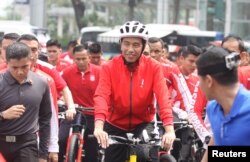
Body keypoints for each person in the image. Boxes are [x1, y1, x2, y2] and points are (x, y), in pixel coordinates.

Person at [93, 21, 175, 162]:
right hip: (115, 124)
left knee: (144, 156)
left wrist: (169, 130)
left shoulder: (153, 67)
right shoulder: (109, 67)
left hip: (144, 123)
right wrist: (99, 127)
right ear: (121, 44)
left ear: (143, 46)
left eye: (136, 45)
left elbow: (163, 98)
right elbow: (101, 96)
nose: (130, 49)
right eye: (126, 44)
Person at [0, 42, 52, 162]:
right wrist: (3, 115)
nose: (20, 72)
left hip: (26, 144)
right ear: (6, 63)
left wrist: (43, 154)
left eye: (24, 67)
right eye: (14, 68)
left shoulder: (42, 83)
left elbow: (45, 119)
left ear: (32, 61)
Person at [197, 46, 250, 162]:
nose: (199, 86)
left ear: (209, 81)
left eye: (199, 80)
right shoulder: (213, 108)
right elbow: (215, 141)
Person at [61, 45, 100, 162]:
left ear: (89, 57)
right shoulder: (67, 72)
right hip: (73, 113)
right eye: (78, 59)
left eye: (84, 58)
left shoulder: (99, 72)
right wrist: (64, 102)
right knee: (61, 139)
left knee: (93, 145)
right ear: (73, 59)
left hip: (92, 113)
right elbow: (60, 89)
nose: (81, 62)